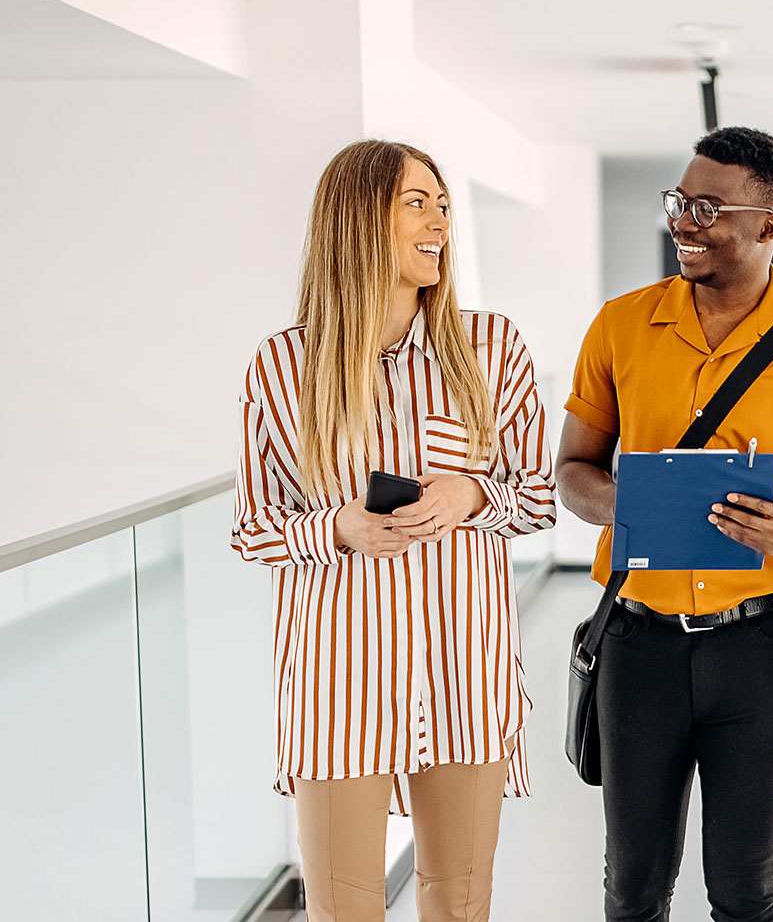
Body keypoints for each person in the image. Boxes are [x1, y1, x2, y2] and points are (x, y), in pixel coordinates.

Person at [231, 139, 555, 922]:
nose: (440, 221)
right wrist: (336, 526)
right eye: (418, 202)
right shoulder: (282, 367)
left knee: (460, 905)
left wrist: (470, 496)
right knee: (343, 911)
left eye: (443, 205)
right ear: (357, 218)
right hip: (338, 685)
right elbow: (253, 528)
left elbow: (538, 497)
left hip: (463, 675)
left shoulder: (492, 349)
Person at [554, 126, 773, 922]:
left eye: (705, 207)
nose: (683, 222)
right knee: (632, 890)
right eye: (678, 201)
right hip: (637, 644)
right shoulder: (621, 325)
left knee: (745, 893)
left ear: (768, 224)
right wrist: (637, 504)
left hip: (757, 651)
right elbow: (572, 473)